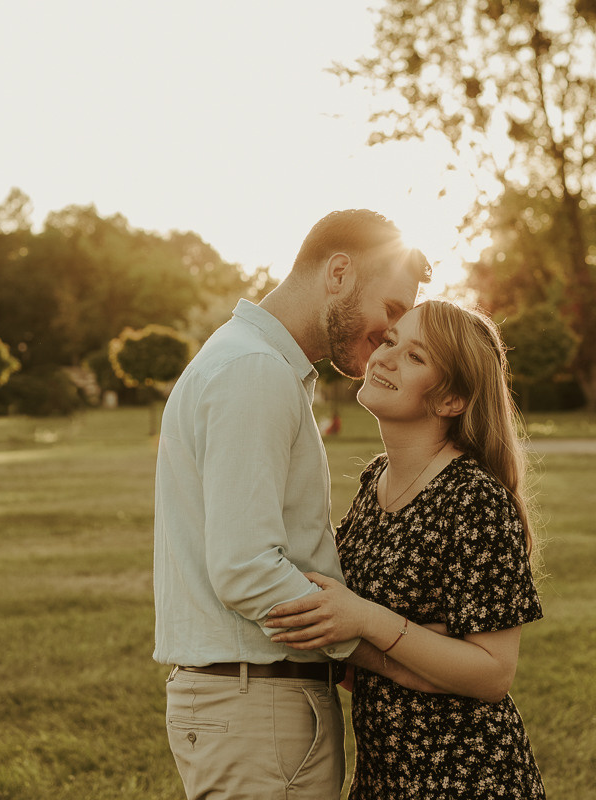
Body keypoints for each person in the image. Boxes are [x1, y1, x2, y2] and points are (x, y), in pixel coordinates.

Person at [152, 209, 431, 799]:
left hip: (256, 703)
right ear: (338, 272)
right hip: (259, 706)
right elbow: (248, 569)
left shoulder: (255, 362)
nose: (390, 335)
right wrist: (390, 662)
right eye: (392, 311)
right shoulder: (254, 371)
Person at [267, 299, 546, 799]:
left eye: (416, 357)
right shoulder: (376, 477)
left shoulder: (473, 498)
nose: (385, 357)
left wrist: (367, 620)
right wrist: (418, 646)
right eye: (391, 340)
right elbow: (352, 645)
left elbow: (492, 673)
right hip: (385, 776)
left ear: (451, 400)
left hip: (467, 777)